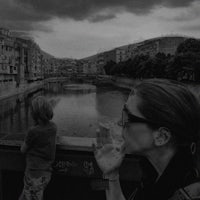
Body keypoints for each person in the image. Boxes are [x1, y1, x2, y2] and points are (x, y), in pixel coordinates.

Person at [94, 79, 200, 200]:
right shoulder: (155, 174)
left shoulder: (189, 194)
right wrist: (111, 175)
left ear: (162, 137)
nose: (120, 122)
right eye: (123, 112)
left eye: (127, 117)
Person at [19, 96, 57, 200]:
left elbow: (22, 150)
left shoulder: (33, 131)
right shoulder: (53, 127)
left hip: (34, 175)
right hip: (46, 172)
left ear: (35, 114)